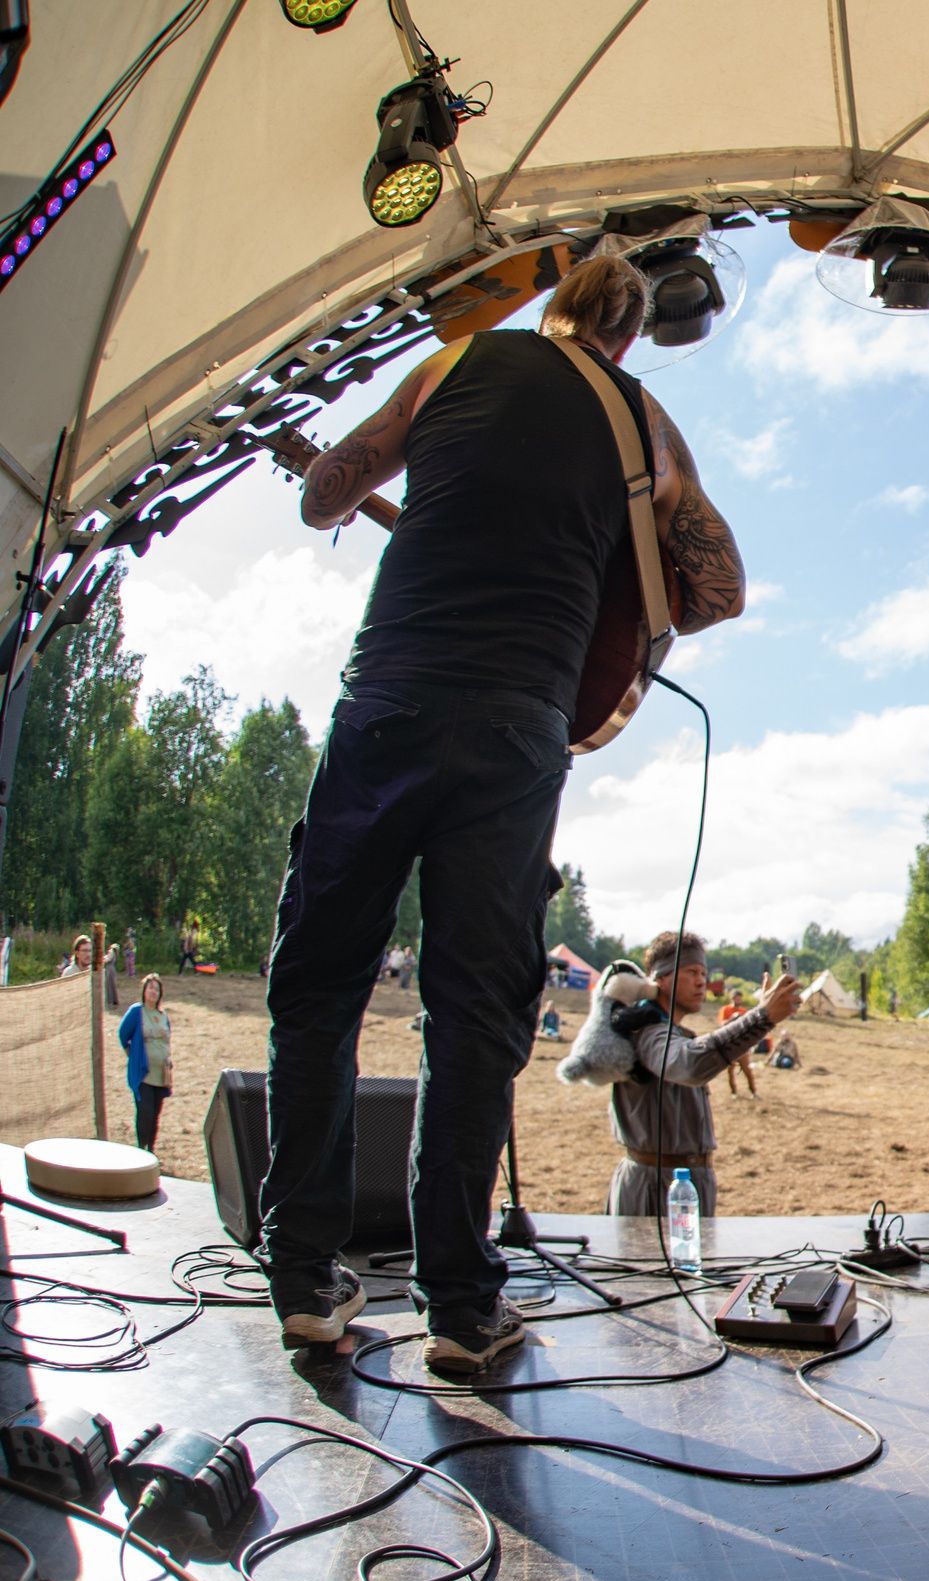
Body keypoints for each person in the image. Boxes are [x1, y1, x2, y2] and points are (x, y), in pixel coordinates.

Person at [258, 251, 748, 1376]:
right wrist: (618, 609)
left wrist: (388, 477)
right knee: (473, 1017)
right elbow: (718, 591)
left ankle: (302, 1283)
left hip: (385, 701)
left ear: (555, 308)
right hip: (519, 729)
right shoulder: (644, 424)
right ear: (627, 337)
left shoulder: (451, 365)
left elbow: (324, 492)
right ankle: (461, 1309)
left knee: (319, 989)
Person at [607, 932, 800, 1217]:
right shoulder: (648, 1031)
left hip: (682, 1184)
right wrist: (763, 1017)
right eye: (690, 972)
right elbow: (690, 1064)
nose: (701, 981)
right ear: (659, 978)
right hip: (653, 1189)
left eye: (703, 972)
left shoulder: (673, 1032)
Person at [117, 973, 173, 1154]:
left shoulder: (163, 1015)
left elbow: (166, 1041)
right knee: (145, 1112)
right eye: (150, 988)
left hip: (160, 1073)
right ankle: (141, 1150)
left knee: (155, 1115)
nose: (153, 992)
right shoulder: (137, 1012)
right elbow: (123, 1035)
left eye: (157, 989)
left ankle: (151, 1150)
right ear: (144, 990)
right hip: (144, 1072)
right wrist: (133, 1057)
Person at [59, 932, 117, 1010]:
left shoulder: (95, 973)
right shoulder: (69, 973)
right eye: (85, 951)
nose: (88, 954)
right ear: (77, 953)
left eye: (90, 951)